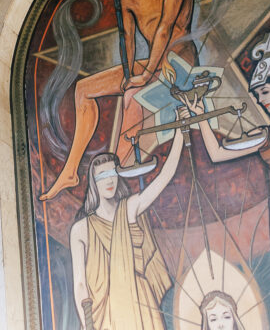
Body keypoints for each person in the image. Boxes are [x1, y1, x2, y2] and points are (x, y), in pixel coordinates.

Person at [42, 0, 196, 199]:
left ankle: (120, 169)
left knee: (132, 96)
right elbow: (128, 40)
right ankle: (70, 171)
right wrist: (129, 74)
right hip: (153, 62)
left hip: (179, 59)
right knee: (83, 89)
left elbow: (166, 27)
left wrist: (143, 76)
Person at [188, 32, 270, 330]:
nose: (260, 99)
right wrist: (201, 116)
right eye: (257, 94)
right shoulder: (264, 137)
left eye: (265, 92)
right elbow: (218, 154)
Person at [69, 126, 184, 330]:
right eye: (102, 176)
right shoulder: (81, 229)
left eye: (114, 172)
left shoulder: (130, 208)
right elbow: (80, 283)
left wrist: (180, 132)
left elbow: (165, 177)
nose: (110, 180)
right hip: (105, 312)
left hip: (141, 304)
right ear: (94, 183)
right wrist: (87, 324)